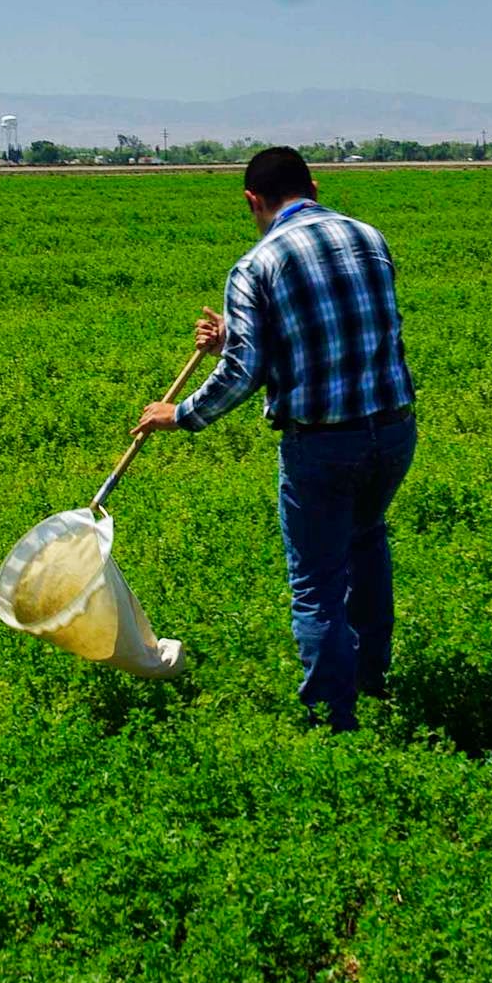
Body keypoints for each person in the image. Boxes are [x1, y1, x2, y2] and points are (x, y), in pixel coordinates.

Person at [137, 147, 417, 732]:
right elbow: (339, 331)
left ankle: (331, 724)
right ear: (313, 184)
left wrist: (178, 414)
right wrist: (235, 338)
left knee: (316, 585)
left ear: (252, 200)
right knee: (367, 546)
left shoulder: (257, 264)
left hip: (322, 444)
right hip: (393, 431)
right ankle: (373, 681)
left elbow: (244, 374)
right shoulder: (369, 237)